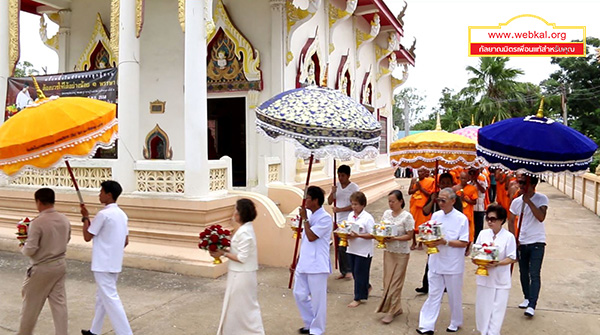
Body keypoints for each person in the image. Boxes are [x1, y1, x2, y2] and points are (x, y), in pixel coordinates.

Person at [80, 181, 133, 335]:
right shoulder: (122, 215)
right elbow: (126, 241)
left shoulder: (103, 215)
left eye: (101, 192)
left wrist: (85, 218)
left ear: (109, 195)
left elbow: (87, 236)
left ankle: (126, 333)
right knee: (102, 298)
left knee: (110, 299)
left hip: (102, 264)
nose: (99, 194)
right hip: (114, 262)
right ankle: (94, 330)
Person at [18, 188, 71, 335]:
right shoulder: (64, 219)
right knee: (59, 304)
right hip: (60, 264)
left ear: (39, 202)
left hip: (42, 268)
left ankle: (24, 333)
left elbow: (31, 249)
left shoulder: (38, 222)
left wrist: (23, 246)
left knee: (30, 306)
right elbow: (67, 239)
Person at [417, 188, 469, 335]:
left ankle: (455, 321)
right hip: (436, 261)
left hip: (453, 263)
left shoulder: (461, 219)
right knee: (433, 294)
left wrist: (445, 242)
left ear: (453, 201)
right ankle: (427, 325)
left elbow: (464, 242)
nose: (440, 203)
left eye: (443, 200)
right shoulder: (436, 215)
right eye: (438, 200)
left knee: (454, 295)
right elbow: (430, 233)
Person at [211, 199, 265, 335]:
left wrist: (223, 253)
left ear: (241, 214)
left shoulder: (245, 232)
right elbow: (238, 250)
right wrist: (225, 249)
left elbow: (242, 257)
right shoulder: (244, 229)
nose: (234, 213)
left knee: (244, 306)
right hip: (239, 273)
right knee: (236, 307)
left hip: (242, 275)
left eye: (236, 210)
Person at [509, 174, 548, 318]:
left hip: (537, 241)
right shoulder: (516, 201)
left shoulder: (541, 199)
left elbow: (541, 217)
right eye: (519, 182)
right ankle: (527, 297)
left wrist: (529, 202)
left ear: (532, 184)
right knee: (523, 272)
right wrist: (514, 238)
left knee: (534, 273)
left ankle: (532, 304)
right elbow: (511, 219)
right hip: (522, 242)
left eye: (523, 182)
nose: (519, 185)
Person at [416, 173, 462, 294]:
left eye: (448, 183)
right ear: (439, 184)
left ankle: (446, 285)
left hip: (448, 235)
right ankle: (426, 285)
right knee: (432, 260)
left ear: (452, 184)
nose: (445, 185)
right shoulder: (434, 196)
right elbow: (425, 211)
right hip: (434, 234)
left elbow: (458, 216)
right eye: (443, 183)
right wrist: (433, 200)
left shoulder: (455, 199)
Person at [474, 204, 517, 335]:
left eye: (493, 219)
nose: (490, 222)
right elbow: (476, 252)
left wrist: (498, 263)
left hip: (500, 279)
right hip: (484, 277)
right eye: (488, 219)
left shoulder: (509, 237)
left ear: (501, 220)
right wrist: (477, 260)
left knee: (497, 310)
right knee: (483, 308)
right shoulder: (483, 234)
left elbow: (512, 257)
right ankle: (483, 331)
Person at [294, 186, 332, 335]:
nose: (305, 201)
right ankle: (309, 322)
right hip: (304, 262)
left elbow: (311, 237)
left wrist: (304, 219)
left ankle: (317, 329)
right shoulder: (309, 215)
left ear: (315, 201)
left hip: (317, 265)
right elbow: (304, 240)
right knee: (299, 294)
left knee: (318, 300)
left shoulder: (325, 218)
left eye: (308, 198)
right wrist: (299, 258)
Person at [375, 190, 414, 324]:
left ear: (401, 201)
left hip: (401, 253)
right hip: (389, 252)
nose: (391, 204)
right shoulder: (386, 214)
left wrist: (395, 238)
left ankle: (391, 311)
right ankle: (396, 307)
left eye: (393, 201)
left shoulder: (407, 216)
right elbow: (381, 229)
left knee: (396, 283)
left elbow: (409, 236)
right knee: (387, 281)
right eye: (389, 201)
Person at [327, 164, 360, 280]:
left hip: (348, 220)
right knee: (338, 246)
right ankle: (343, 270)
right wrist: (333, 192)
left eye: (342, 176)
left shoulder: (354, 188)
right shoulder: (336, 186)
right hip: (337, 219)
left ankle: (349, 269)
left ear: (348, 176)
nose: (340, 178)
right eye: (339, 175)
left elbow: (355, 205)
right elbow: (329, 201)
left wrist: (340, 209)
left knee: (345, 245)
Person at [345, 191, 375, 308]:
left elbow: (373, 234)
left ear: (362, 205)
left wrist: (358, 235)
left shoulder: (367, 218)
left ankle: (358, 297)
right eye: (352, 204)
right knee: (355, 272)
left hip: (363, 250)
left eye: (356, 204)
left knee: (359, 272)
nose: (354, 207)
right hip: (352, 248)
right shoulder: (350, 216)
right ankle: (366, 286)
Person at [409, 169, 435, 250]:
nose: (421, 173)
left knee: (423, 224)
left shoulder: (430, 181)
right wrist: (417, 188)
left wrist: (421, 188)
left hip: (423, 205)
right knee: (412, 223)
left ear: (426, 173)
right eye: (419, 172)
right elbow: (409, 192)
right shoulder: (414, 180)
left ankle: (421, 242)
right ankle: (414, 242)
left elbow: (430, 194)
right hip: (414, 204)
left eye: (423, 172)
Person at [453, 171, 478, 242]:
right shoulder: (455, 188)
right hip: (457, 211)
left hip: (468, 213)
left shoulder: (472, 188)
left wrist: (465, 199)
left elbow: (474, 202)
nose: (463, 180)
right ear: (459, 178)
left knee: (469, 229)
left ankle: (467, 245)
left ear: (468, 179)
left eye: (465, 178)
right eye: (462, 178)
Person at [469, 168, 489, 242]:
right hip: (471, 208)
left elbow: (483, 190)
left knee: (479, 227)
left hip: (480, 207)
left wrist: (476, 181)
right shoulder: (468, 182)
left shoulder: (482, 179)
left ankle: (477, 242)